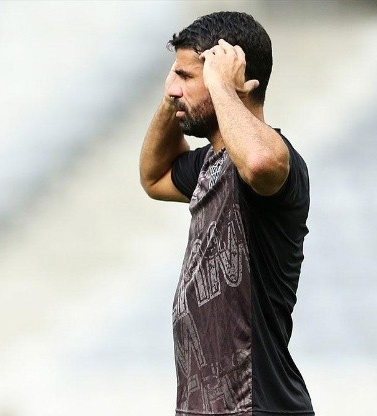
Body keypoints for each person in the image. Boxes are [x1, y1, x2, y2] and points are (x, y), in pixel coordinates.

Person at [138, 11, 314, 416]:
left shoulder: (275, 158)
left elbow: (258, 163)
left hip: (256, 405)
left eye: (185, 76)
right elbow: (154, 176)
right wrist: (173, 98)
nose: (172, 88)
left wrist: (220, 87)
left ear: (232, 74)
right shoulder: (207, 164)